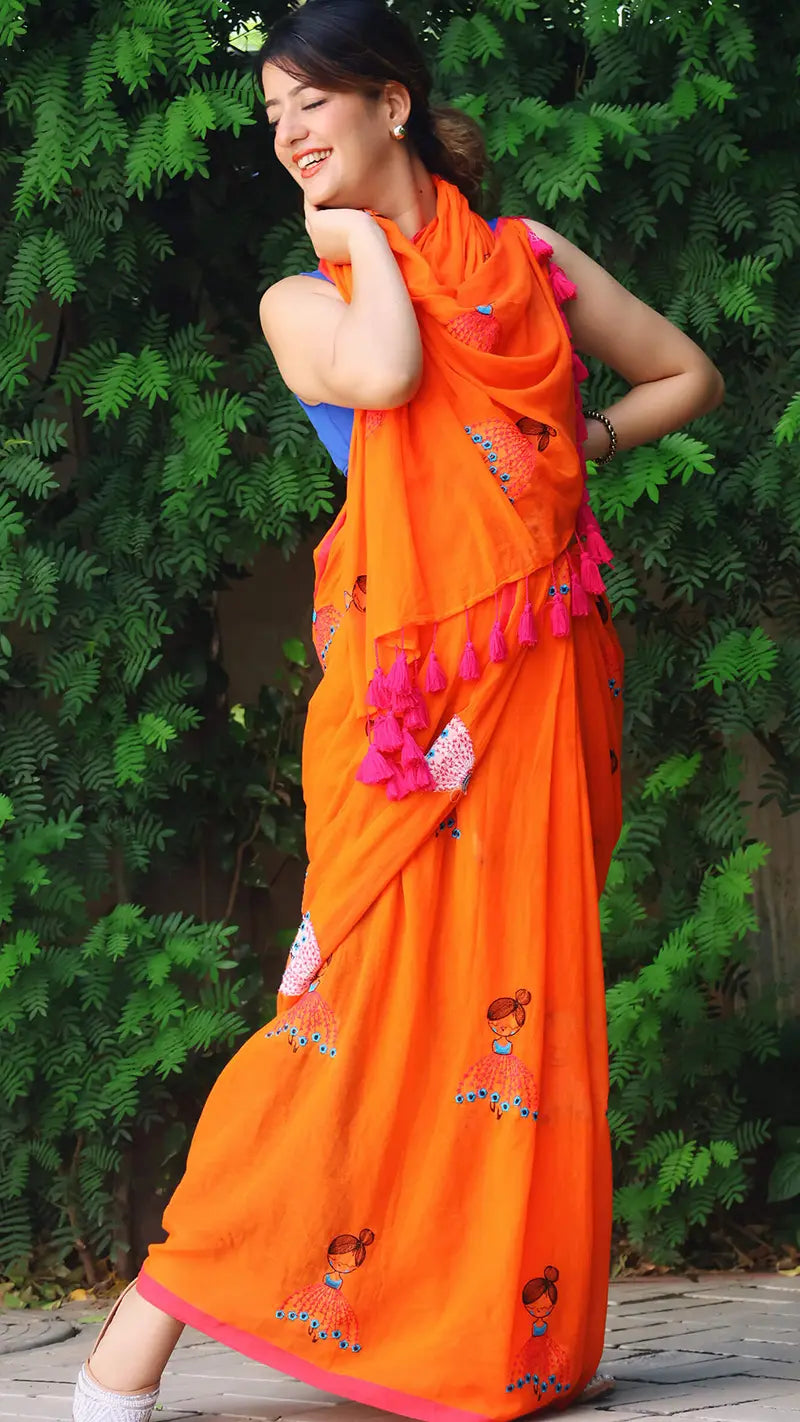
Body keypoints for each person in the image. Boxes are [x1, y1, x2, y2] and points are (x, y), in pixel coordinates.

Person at [72, 2, 724, 1419]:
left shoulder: (530, 264)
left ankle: (495, 1326)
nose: (289, 136)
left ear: (394, 101)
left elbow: (688, 371)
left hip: (543, 670)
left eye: (312, 104)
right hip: (401, 705)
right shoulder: (306, 296)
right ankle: (144, 1323)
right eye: (269, 121)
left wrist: (586, 439)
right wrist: (365, 237)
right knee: (350, 991)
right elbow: (390, 375)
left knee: (510, 997)